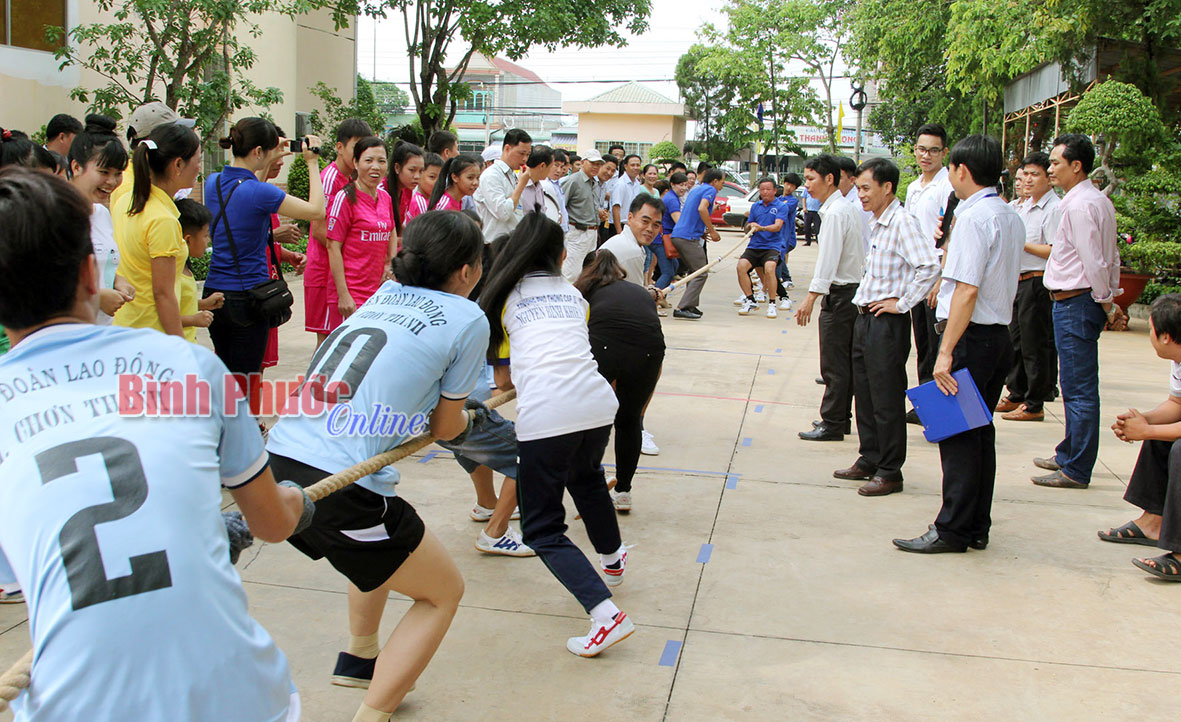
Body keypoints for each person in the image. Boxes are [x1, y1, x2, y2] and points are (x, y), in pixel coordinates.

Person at [0, 166, 312, 720]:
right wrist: (294, 500)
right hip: (236, 698)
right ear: (90, 272)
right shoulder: (192, 367)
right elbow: (271, 523)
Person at [266, 211, 486, 719]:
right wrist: (465, 418)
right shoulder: (466, 316)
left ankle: (361, 654)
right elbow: (447, 428)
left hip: (280, 462)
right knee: (442, 592)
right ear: (470, 271)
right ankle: (373, 713)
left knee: (383, 556)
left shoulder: (384, 292)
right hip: (339, 483)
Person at [481, 213, 634, 657]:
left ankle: (606, 616)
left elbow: (506, 379)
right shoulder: (573, 293)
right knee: (585, 477)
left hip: (550, 414)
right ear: (561, 255)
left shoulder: (505, 299)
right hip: (598, 402)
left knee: (542, 528)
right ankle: (613, 559)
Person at [893, 135, 1023, 554]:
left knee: (958, 436)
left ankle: (951, 529)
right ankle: (974, 525)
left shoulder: (972, 217)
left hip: (970, 336)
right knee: (980, 434)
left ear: (961, 171)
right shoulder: (1007, 214)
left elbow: (966, 290)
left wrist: (944, 353)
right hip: (997, 335)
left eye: (950, 168)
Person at [835, 158, 940, 496]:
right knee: (864, 393)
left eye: (866, 188)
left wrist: (903, 302)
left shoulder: (902, 222)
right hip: (865, 316)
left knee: (886, 396)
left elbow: (928, 266)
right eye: (859, 188)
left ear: (887, 188)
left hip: (887, 322)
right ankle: (870, 456)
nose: (860, 195)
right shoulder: (879, 222)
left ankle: (890, 470)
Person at [202, 118, 325, 386]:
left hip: (214, 294)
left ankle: (224, 426)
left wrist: (270, 156)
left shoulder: (212, 183)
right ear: (258, 152)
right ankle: (243, 427)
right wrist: (312, 163)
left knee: (226, 374)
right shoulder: (262, 193)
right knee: (247, 379)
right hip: (247, 299)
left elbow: (245, 187)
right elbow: (317, 210)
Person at [1031, 133, 1123, 490]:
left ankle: (1075, 467)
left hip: (1077, 301)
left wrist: (1105, 300)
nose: (1050, 168)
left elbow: (1095, 260)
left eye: (1055, 163)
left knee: (1079, 388)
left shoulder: (1079, 205)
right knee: (1074, 384)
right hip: (1078, 300)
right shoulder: (1095, 201)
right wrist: (1107, 297)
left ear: (1077, 165)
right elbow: (1110, 257)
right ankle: (1069, 452)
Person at [1099, 294, 1181, 581]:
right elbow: (1177, 405)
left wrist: (1146, 431)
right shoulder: (1179, 358)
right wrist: (1144, 420)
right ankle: (1153, 523)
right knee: (1161, 437)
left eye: (1150, 330)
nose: (1149, 336)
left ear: (1166, 336)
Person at [576, 250, 666, 512]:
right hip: (651, 350)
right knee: (630, 420)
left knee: (588, 418)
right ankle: (623, 491)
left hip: (606, 347)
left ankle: (587, 487)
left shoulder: (583, 292)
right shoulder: (639, 291)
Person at [795, 154, 866, 441]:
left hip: (841, 295)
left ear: (829, 179)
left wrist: (810, 298)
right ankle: (840, 418)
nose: (807, 186)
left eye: (811, 179)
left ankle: (833, 422)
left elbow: (828, 261)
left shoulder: (837, 213)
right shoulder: (841, 209)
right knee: (842, 362)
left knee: (834, 363)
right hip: (849, 292)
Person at [111, 122, 201, 336]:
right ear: (178, 165)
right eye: (198, 161)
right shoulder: (162, 220)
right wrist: (179, 347)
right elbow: (163, 294)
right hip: (151, 334)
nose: (199, 168)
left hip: (125, 325)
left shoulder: (126, 201)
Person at [996, 151, 1062, 422]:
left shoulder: (1053, 208)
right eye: (1026, 174)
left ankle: (1035, 402)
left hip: (1038, 280)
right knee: (1017, 341)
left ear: (1049, 178)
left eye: (1036, 174)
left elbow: (1056, 249)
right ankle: (1017, 393)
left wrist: (1020, 243)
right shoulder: (1023, 206)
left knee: (1035, 344)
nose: (1029, 180)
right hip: (1019, 279)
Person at [306, 118, 373, 348]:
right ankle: (315, 385)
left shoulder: (354, 179)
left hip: (342, 273)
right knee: (327, 342)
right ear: (339, 147)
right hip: (325, 273)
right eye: (357, 148)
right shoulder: (331, 178)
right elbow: (318, 229)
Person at [66, 114, 135, 325]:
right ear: (77, 167)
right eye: (104, 172)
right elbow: (39, 285)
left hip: (99, 332)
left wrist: (117, 281)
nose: (112, 181)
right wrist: (96, 298)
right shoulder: (53, 216)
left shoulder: (102, 214)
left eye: (118, 173)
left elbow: (99, 267)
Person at [904, 124, 955, 406]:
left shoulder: (948, 187)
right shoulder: (914, 188)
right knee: (922, 342)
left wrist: (940, 278)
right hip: (916, 274)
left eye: (934, 150)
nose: (927, 156)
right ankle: (925, 404)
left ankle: (937, 405)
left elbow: (950, 238)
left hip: (937, 271)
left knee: (936, 345)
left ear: (944, 152)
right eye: (922, 149)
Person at [326, 137, 396, 331]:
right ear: (356, 163)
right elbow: (333, 246)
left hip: (378, 293)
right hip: (351, 295)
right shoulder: (345, 198)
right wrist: (343, 294)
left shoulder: (385, 198)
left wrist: (390, 264)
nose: (375, 167)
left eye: (381, 161)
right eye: (368, 160)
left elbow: (391, 230)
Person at [669, 168, 725, 320]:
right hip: (686, 237)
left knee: (694, 272)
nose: (722, 185)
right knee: (701, 271)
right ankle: (682, 307)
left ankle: (690, 305)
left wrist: (701, 231)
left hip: (681, 234)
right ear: (714, 181)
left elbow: (692, 212)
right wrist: (712, 231)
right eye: (722, 182)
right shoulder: (710, 190)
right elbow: (701, 209)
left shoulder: (696, 189)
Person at [736, 177, 787, 319]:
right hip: (754, 245)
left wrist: (761, 227)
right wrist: (750, 226)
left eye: (768, 189)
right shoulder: (755, 206)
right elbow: (750, 222)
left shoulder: (781, 206)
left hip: (772, 246)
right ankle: (750, 300)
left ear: (775, 190)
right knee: (741, 267)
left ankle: (772, 304)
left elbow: (777, 226)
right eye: (762, 189)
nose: (765, 192)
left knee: (770, 269)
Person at [175, 199, 224, 342]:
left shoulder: (184, 267)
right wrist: (193, 320)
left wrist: (204, 304)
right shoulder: (172, 272)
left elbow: (180, 304)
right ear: (188, 240)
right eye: (205, 235)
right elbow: (160, 316)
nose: (208, 240)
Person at [473, 128, 532, 242]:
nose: (525, 159)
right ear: (507, 148)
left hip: (510, 244)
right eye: (521, 153)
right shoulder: (492, 175)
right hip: (492, 246)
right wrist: (521, 185)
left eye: (528, 154)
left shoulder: (512, 175)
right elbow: (503, 213)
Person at [559, 148, 605, 282]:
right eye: (593, 163)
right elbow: (561, 207)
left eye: (598, 164)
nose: (596, 167)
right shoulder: (573, 181)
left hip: (592, 233)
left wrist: (597, 214)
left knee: (588, 273)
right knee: (571, 274)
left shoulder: (594, 183)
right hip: (577, 232)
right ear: (583, 162)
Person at [599, 194, 664, 285]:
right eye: (645, 221)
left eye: (656, 225)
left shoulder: (624, 241)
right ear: (630, 218)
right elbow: (636, 296)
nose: (650, 229)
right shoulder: (632, 251)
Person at [654, 171, 687, 290]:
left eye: (685, 185)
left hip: (661, 237)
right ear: (672, 185)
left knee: (674, 266)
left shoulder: (671, 197)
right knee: (667, 272)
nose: (684, 188)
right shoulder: (672, 199)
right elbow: (679, 222)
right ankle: (653, 298)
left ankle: (662, 297)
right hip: (661, 239)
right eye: (681, 185)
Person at [384, 141, 425, 237]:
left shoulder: (408, 190)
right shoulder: (381, 191)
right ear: (397, 168)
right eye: (412, 170)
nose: (417, 176)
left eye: (421, 171)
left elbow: (399, 226)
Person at [404, 151, 443, 226]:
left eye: (440, 178)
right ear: (419, 175)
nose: (437, 183)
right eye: (432, 177)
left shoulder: (431, 201)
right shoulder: (420, 203)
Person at [519, 144, 555, 216]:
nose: (551, 170)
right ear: (542, 166)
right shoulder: (519, 185)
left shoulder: (539, 186)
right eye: (551, 166)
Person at [611, 154, 643, 234]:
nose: (635, 168)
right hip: (619, 226)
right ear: (625, 166)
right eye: (632, 165)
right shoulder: (620, 184)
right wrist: (619, 232)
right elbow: (616, 208)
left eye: (638, 165)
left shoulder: (637, 183)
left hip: (631, 226)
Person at [542, 148, 569, 230]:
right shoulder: (543, 184)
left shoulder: (557, 184)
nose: (559, 170)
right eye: (556, 165)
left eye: (561, 167)